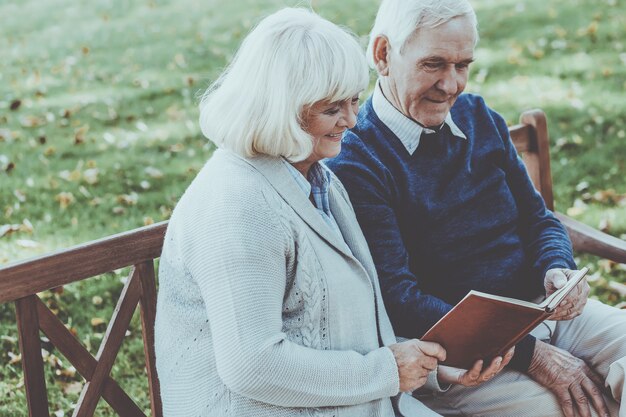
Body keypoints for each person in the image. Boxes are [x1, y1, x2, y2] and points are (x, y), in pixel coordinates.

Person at [153, 7, 510, 417]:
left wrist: (431, 371)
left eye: (354, 100)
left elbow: (348, 325)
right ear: (281, 106)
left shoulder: (319, 178)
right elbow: (252, 367)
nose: (352, 121)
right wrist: (387, 371)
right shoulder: (237, 206)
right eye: (332, 109)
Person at [326, 1, 626, 416]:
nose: (451, 86)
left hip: (542, 309)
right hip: (464, 356)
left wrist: (558, 268)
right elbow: (401, 299)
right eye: (434, 64)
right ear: (382, 55)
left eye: (462, 65)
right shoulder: (357, 160)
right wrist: (531, 354)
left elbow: (538, 219)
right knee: (572, 410)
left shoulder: (478, 115)